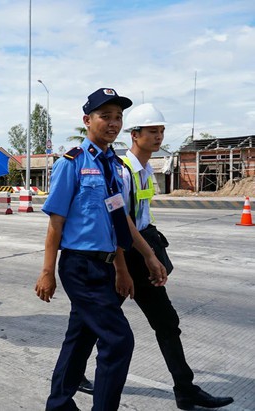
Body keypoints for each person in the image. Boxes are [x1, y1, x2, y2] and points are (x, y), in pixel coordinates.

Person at [77, 104, 234, 410]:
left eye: (161, 131)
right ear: (135, 135)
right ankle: (75, 374)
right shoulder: (122, 171)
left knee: (166, 321)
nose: (159, 136)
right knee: (95, 324)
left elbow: (141, 215)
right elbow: (121, 221)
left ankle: (185, 389)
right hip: (124, 256)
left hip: (143, 250)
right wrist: (146, 257)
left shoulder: (147, 170)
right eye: (152, 131)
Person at [34, 88, 159, 411]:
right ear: (87, 120)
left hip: (105, 266)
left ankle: (58, 404)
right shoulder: (72, 164)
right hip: (79, 265)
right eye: (106, 116)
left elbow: (119, 220)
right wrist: (47, 272)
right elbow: (55, 224)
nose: (113, 123)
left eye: (118, 117)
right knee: (119, 341)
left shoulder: (115, 167)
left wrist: (127, 265)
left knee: (79, 340)